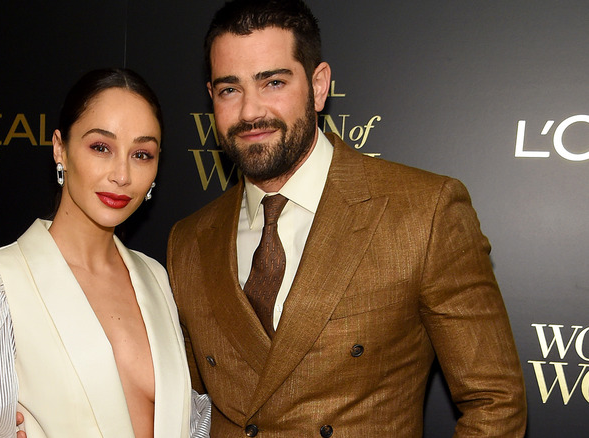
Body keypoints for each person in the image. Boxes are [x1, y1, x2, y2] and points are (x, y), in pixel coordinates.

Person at [166, 0, 527, 436]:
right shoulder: (188, 240)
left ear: (318, 87)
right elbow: (187, 408)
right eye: (230, 89)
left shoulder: (424, 212)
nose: (249, 112)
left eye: (273, 82)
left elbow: (495, 402)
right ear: (211, 97)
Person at [0, 68, 211, 438]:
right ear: (59, 148)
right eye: (101, 147)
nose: (122, 174)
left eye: (142, 154)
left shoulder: (156, 278)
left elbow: (187, 423)